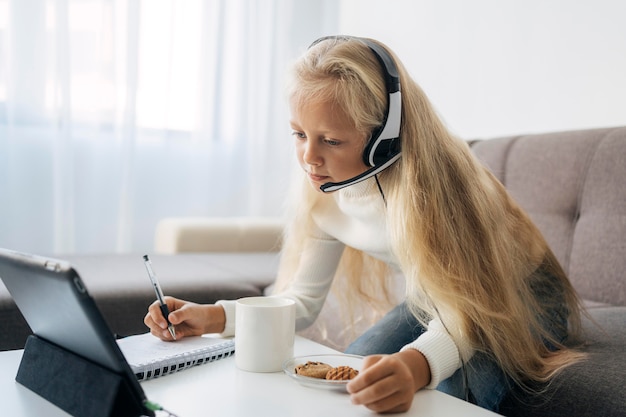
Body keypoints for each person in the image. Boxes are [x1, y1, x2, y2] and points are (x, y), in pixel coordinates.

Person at [145, 35, 585, 414]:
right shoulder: (321, 188)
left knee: (452, 391)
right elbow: (299, 302)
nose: (309, 158)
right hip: (434, 299)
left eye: (331, 141)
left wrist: (416, 366)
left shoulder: (438, 189)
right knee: (346, 377)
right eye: (299, 134)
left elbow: (468, 309)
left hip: (519, 296)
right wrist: (212, 317)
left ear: (383, 137)